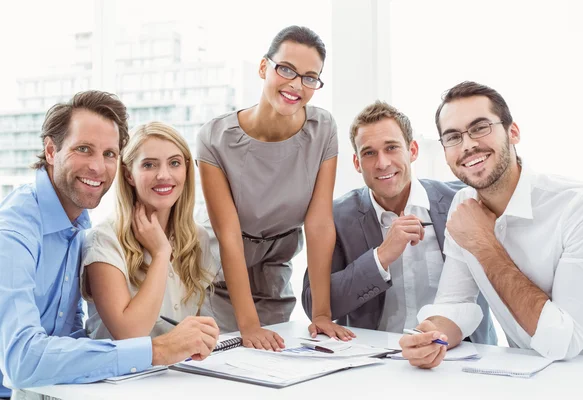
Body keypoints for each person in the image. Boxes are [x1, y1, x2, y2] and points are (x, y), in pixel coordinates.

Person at [0, 92, 219, 398]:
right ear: (51, 150)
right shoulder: (14, 229)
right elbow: (21, 361)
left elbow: (70, 332)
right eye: (83, 149)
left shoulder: (77, 224)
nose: (97, 167)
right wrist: (154, 351)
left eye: (109, 154)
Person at [400, 81, 583, 369]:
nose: (467, 145)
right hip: (526, 378)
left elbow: (563, 342)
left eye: (480, 127)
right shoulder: (464, 204)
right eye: (453, 137)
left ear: (513, 132)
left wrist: (484, 244)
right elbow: (455, 303)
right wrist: (429, 336)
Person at [196, 25, 354, 351]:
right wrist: (249, 325)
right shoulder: (214, 138)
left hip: (274, 277)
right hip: (216, 276)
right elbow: (228, 234)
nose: (296, 85)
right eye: (286, 70)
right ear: (263, 67)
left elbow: (319, 223)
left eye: (310, 77)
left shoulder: (322, 129)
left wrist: (322, 314)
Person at [301, 101, 496, 345]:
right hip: (375, 358)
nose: (382, 163)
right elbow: (313, 305)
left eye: (391, 148)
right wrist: (380, 258)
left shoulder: (463, 201)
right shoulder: (336, 216)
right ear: (356, 163)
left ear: (412, 150)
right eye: (369, 153)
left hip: (460, 353)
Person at [81, 122, 218, 340]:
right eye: (149, 165)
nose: (164, 175)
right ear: (128, 175)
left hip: (181, 371)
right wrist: (161, 253)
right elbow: (129, 334)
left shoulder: (197, 238)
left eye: (174, 163)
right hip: (124, 374)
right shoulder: (104, 241)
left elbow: (192, 329)